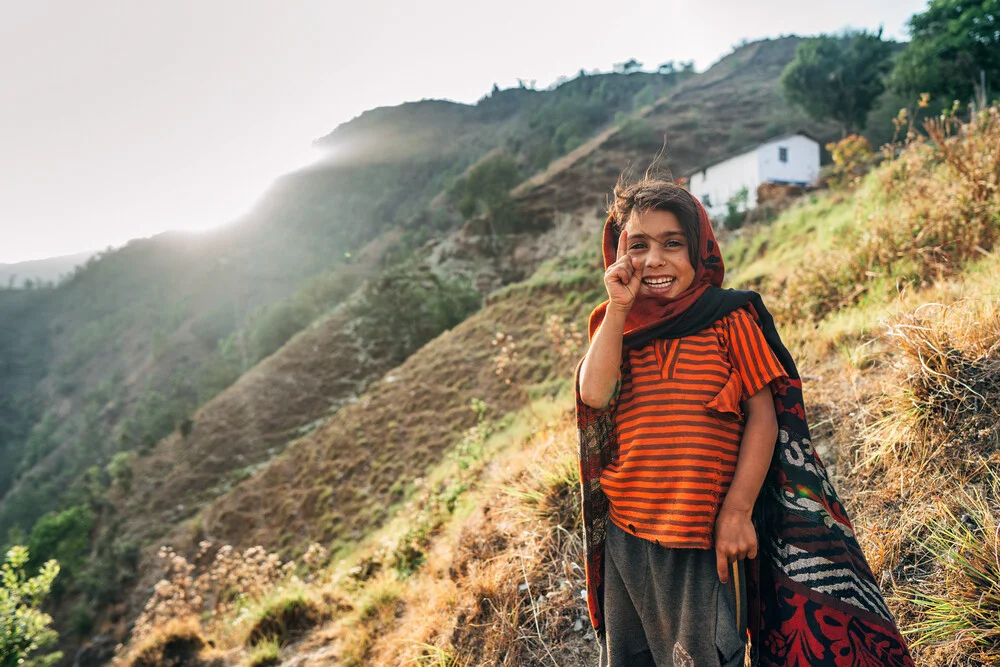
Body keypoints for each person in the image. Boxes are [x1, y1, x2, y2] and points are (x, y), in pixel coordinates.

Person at [575, 177, 913, 666]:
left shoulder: (730, 318)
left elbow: (764, 418)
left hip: (704, 536)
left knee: (708, 655)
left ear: (700, 249)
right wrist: (620, 309)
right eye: (638, 246)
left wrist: (736, 512)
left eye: (673, 243)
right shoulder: (615, 325)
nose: (654, 260)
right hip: (628, 531)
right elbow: (594, 392)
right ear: (618, 255)